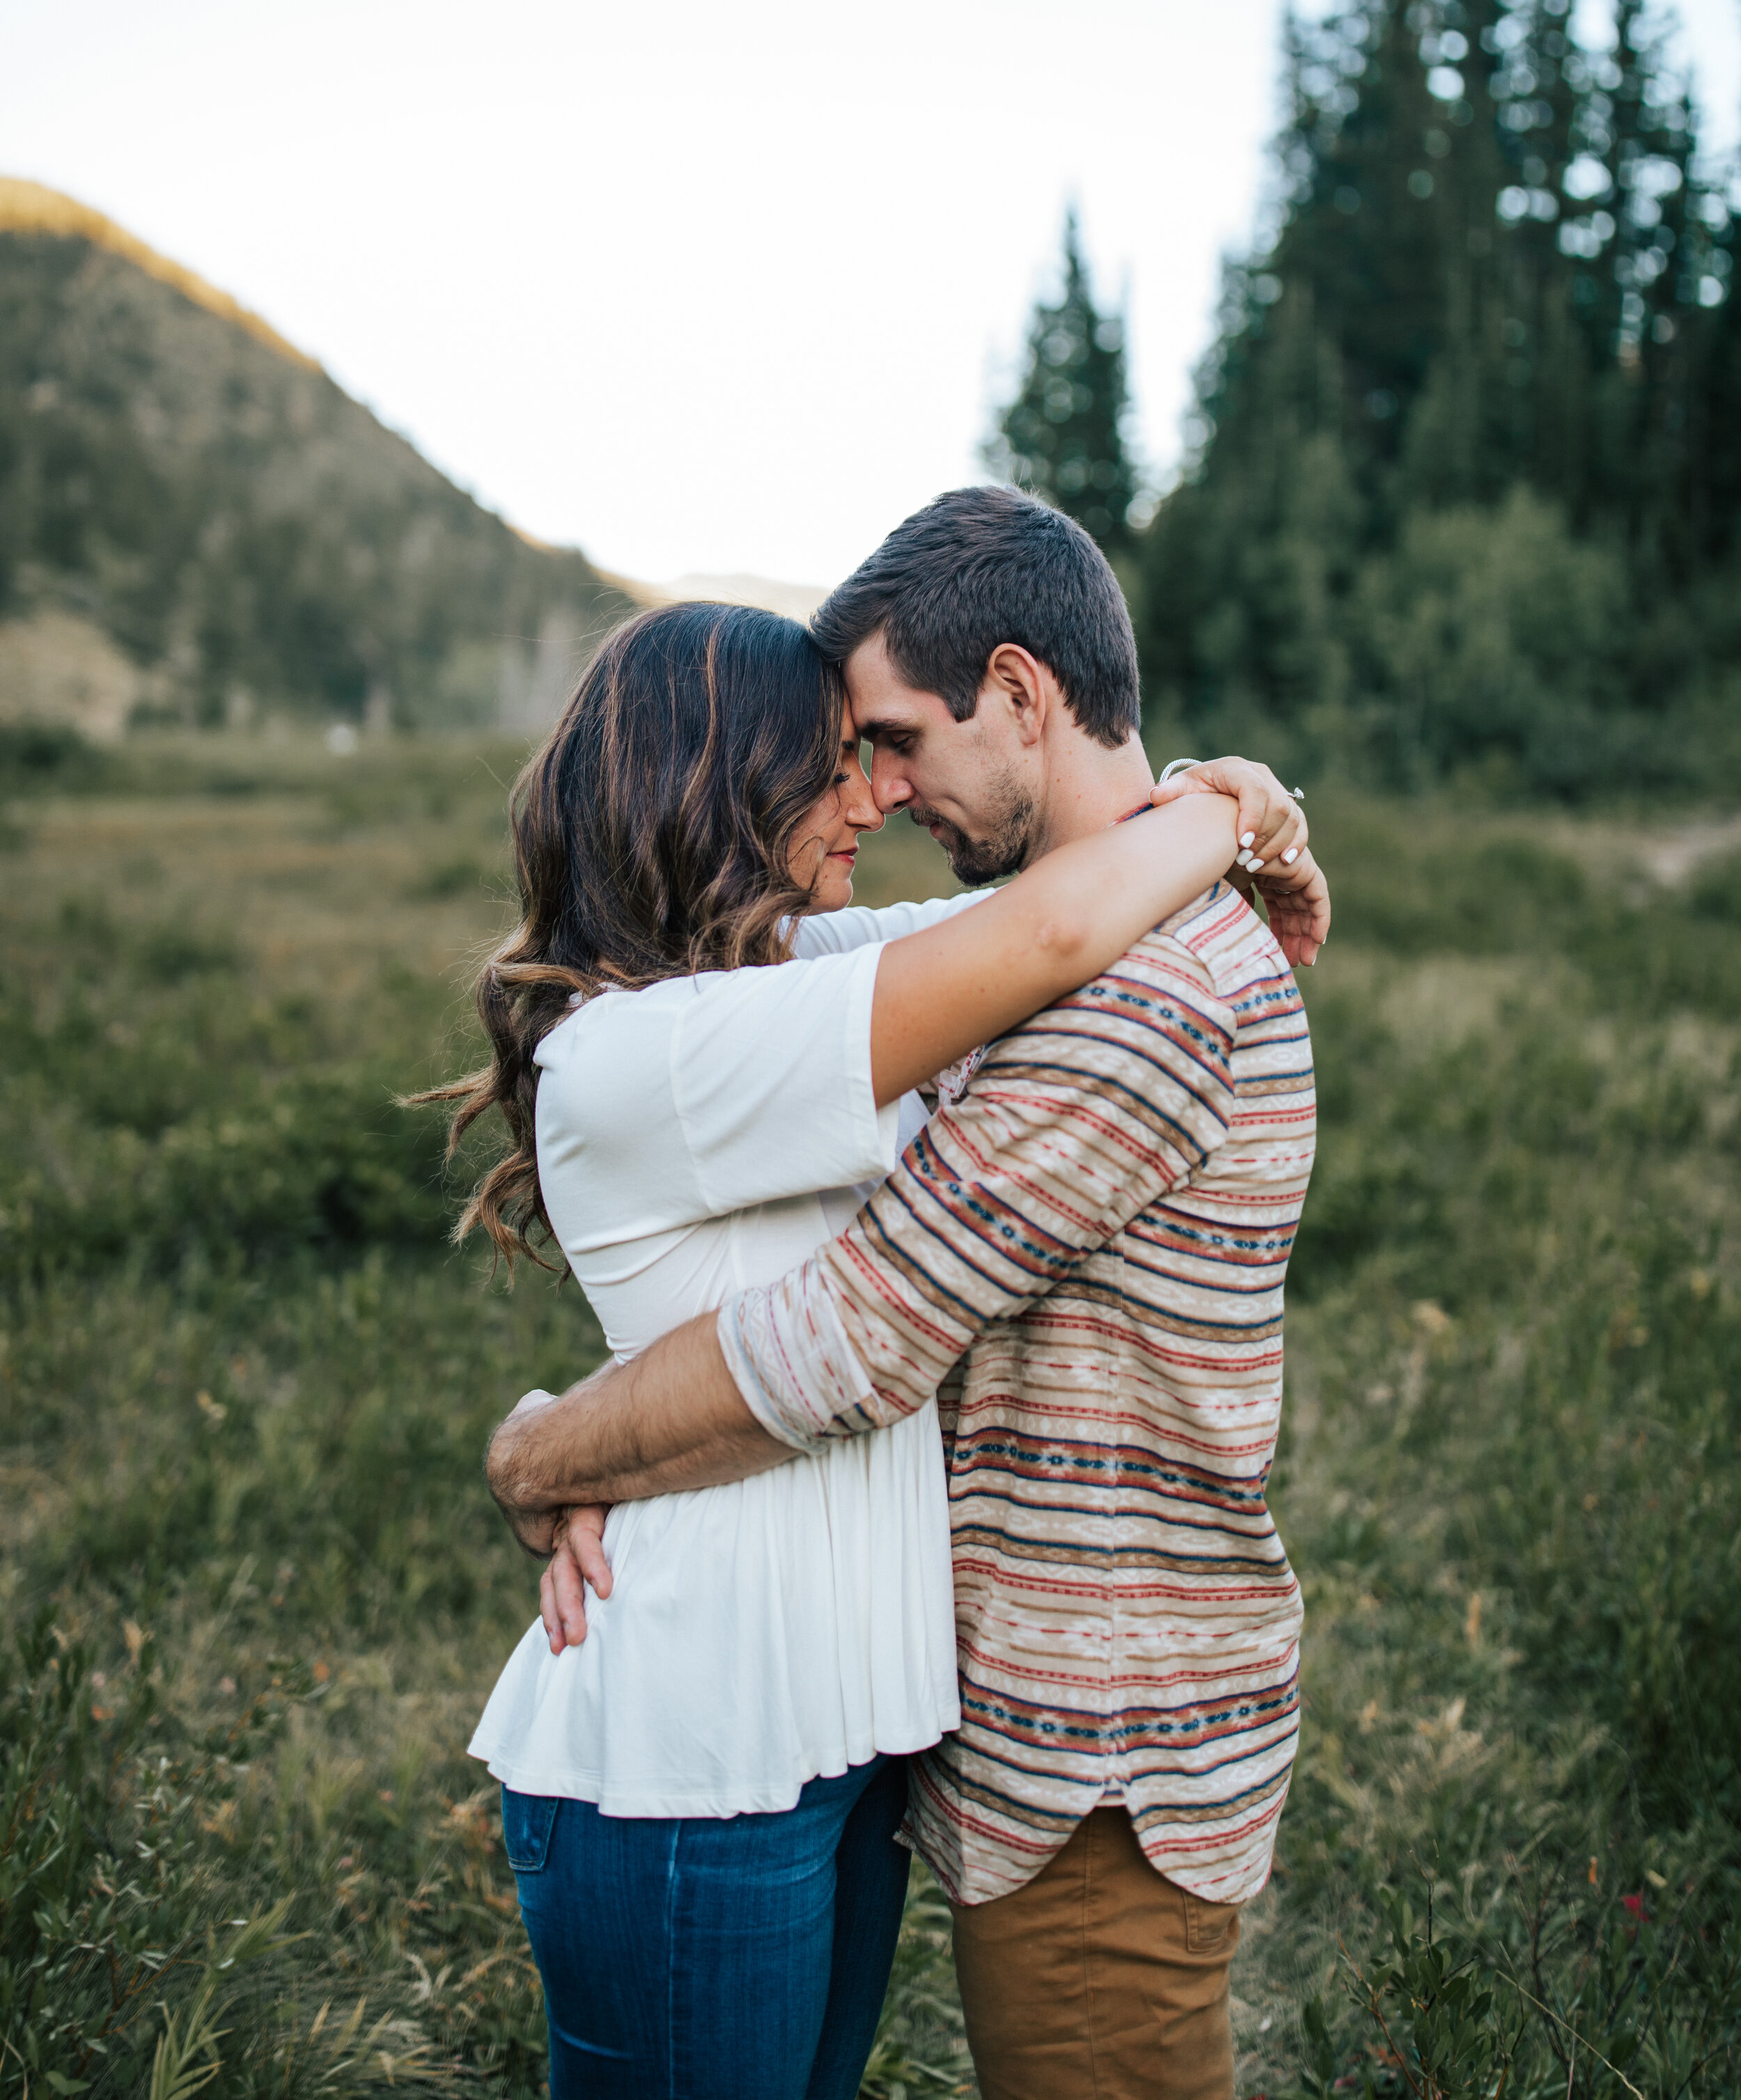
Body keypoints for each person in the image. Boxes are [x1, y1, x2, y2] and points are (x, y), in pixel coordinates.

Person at [488, 486, 1326, 2100]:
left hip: (1086, 1733)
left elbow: (854, 1334)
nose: (874, 788)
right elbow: (1004, 932)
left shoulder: (1126, 983)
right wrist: (1225, 809)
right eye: (839, 755)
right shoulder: (774, 1002)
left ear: (1017, 693)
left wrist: (543, 1452)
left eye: (888, 739)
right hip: (811, 1721)